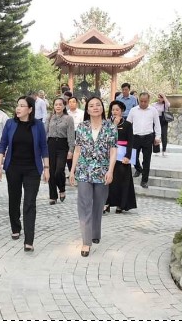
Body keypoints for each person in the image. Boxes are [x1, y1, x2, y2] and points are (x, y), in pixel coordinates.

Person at [0, 96, 49, 252]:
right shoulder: (10, 124)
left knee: (30, 202)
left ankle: (29, 240)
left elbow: (44, 147)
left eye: (22, 106)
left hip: (32, 169)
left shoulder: (38, 125)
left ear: (30, 109)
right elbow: (2, 145)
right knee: (14, 199)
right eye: (17, 105)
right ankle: (15, 227)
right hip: (13, 168)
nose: (18, 108)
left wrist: (47, 168)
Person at [69, 96, 117, 257]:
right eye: (91, 105)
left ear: (102, 108)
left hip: (102, 172)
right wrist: (72, 171)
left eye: (98, 105)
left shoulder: (110, 127)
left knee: (99, 204)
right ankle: (86, 241)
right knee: (84, 205)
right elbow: (77, 150)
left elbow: (113, 150)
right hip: (84, 171)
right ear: (87, 109)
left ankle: (95, 233)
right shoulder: (82, 127)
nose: (95, 107)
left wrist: (110, 170)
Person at [104, 100, 137, 214]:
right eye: (113, 110)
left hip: (122, 156)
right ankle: (106, 203)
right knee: (108, 180)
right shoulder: (107, 123)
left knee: (121, 180)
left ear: (122, 111)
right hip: (109, 155)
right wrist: (114, 125)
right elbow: (106, 138)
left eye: (117, 110)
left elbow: (130, 141)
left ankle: (120, 204)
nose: (115, 112)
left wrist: (128, 155)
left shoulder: (127, 124)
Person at [127, 92, 161, 189]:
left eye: (145, 101)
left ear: (148, 100)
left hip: (148, 137)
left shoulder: (153, 110)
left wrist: (157, 137)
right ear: (139, 100)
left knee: (147, 160)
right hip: (135, 137)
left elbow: (157, 125)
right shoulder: (133, 110)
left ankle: (144, 180)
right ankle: (139, 169)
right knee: (133, 158)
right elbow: (128, 124)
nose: (143, 103)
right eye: (141, 101)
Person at [45, 97, 75, 205]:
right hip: (51, 144)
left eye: (60, 104)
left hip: (63, 145)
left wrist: (71, 149)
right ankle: (53, 196)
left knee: (59, 170)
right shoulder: (49, 117)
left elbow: (71, 135)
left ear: (64, 106)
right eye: (56, 104)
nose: (58, 106)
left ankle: (62, 189)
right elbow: (45, 132)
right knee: (51, 171)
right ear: (53, 106)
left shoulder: (68, 118)